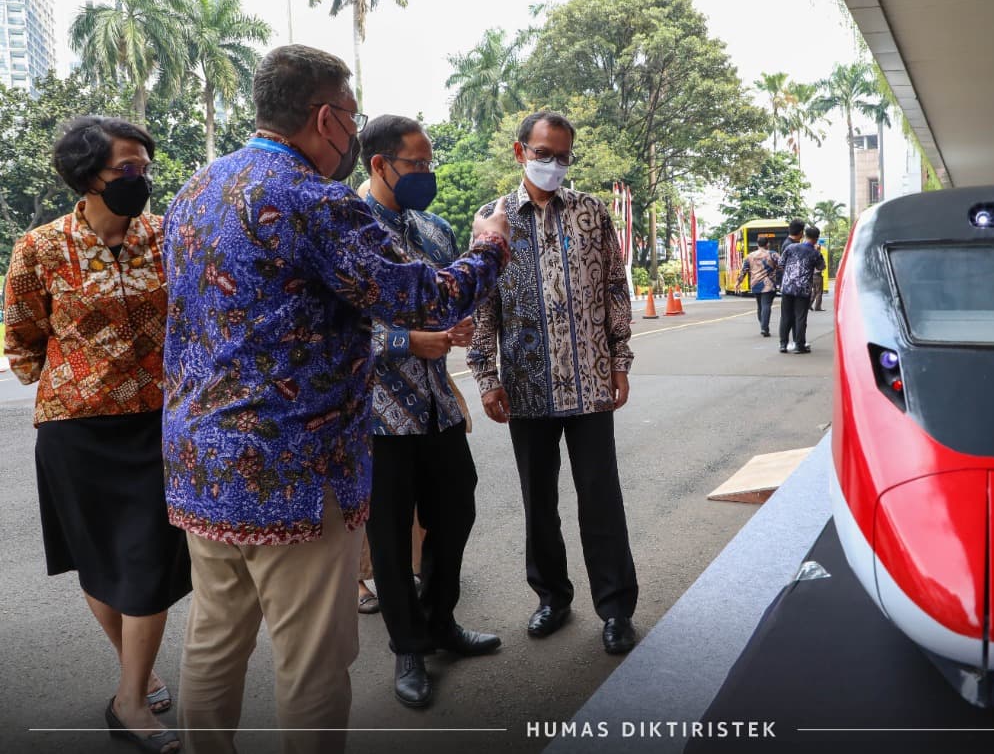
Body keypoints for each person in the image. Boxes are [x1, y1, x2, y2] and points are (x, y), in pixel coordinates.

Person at [162, 44, 510, 754]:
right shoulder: (313, 199)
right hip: (296, 471)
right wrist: (490, 247)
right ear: (325, 118)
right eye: (351, 116)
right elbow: (423, 298)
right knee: (313, 658)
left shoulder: (195, 189)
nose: (352, 132)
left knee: (214, 639)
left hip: (204, 466)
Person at [4, 116, 190, 754]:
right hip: (75, 430)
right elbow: (22, 342)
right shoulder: (39, 248)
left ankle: (129, 700)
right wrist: (80, 375)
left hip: (156, 423)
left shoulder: (166, 236)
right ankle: (136, 673)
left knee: (148, 560)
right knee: (99, 559)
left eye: (145, 167)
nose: (141, 179)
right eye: (127, 169)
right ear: (89, 176)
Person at [468, 110, 640, 656]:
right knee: (538, 501)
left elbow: (614, 288)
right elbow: (482, 305)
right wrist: (486, 376)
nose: (553, 164)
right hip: (526, 387)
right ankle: (551, 597)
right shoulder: (491, 219)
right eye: (543, 154)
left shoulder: (591, 212)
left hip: (591, 383)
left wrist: (619, 361)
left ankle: (616, 608)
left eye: (563, 156)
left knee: (601, 498)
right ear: (520, 151)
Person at [357, 114, 501, 709]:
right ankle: (408, 647)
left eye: (428, 162)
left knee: (456, 510)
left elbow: (453, 298)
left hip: (439, 405)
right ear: (380, 164)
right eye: (416, 164)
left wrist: (456, 327)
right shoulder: (350, 229)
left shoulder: (436, 229)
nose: (427, 173)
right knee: (390, 535)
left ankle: (440, 619)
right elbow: (332, 330)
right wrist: (405, 342)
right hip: (379, 415)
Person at [778, 223, 825, 354]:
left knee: (785, 316)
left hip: (787, 287)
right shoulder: (815, 253)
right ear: (816, 238)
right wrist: (818, 252)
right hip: (803, 289)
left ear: (804, 235)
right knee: (800, 317)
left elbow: (781, 263)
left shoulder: (791, 247)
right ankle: (799, 345)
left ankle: (783, 345)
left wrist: (790, 273)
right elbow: (821, 267)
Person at [737, 234, 781, 336]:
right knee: (766, 305)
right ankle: (764, 328)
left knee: (760, 306)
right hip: (769, 284)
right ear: (767, 244)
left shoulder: (750, 256)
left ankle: (763, 326)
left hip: (755, 284)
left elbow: (744, 270)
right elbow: (782, 265)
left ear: (757, 244)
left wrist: (738, 282)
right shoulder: (773, 254)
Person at [809, 242, 827, 312]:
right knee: (819, 291)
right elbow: (823, 266)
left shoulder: (810, 255)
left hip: (812, 275)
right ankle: (817, 307)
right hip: (818, 275)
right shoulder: (819, 255)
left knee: (814, 291)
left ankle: (809, 304)